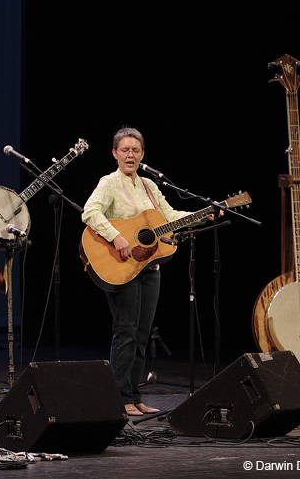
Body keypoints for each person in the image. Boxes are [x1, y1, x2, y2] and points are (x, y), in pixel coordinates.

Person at [81, 127, 192, 417]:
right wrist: (116, 237)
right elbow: (90, 212)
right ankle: (119, 397)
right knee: (126, 331)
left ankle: (134, 394)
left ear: (142, 155)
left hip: (149, 266)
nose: (130, 155)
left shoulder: (149, 186)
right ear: (115, 153)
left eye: (136, 150)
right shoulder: (109, 182)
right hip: (121, 265)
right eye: (125, 150)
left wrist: (202, 213)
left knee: (142, 333)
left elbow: (168, 217)